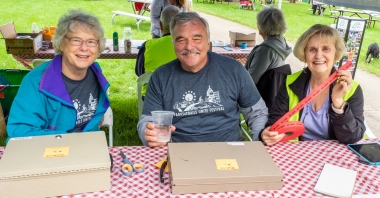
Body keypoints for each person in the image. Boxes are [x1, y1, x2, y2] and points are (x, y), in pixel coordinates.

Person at [137, 12, 268, 147]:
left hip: (229, 149)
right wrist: (149, 134)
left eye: (197, 39)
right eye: (181, 40)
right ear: (173, 44)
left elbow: (257, 113)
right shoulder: (160, 76)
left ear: (208, 42)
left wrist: (261, 135)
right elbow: (147, 120)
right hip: (179, 152)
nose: (189, 47)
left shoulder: (234, 70)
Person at [6, 9, 110, 139]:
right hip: (47, 153)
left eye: (91, 41)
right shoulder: (35, 81)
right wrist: (72, 140)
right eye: (76, 40)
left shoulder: (95, 72)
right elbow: (20, 132)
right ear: (61, 43)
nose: (84, 48)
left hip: (87, 150)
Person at [260, 24, 365, 146]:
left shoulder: (352, 89)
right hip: (297, 153)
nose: (318, 55)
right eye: (312, 49)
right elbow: (275, 123)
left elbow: (352, 136)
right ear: (304, 53)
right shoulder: (290, 83)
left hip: (335, 157)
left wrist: (338, 103)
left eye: (326, 49)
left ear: (336, 53)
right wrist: (268, 134)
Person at [244, 7, 292, 110]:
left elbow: (250, 80)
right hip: (273, 97)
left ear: (261, 26)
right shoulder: (281, 42)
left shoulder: (266, 50)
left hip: (261, 99)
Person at [135, 5, 180, 77]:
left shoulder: (147, 45)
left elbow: (138, 72)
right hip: (178, 88)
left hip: (150, 87)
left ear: (161, 25)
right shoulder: (187, 47)